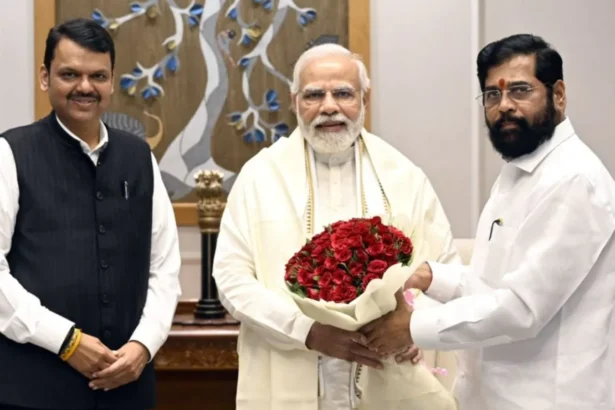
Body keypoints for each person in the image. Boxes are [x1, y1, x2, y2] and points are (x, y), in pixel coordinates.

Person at [361, 34, 615, 410]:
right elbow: (495, 284)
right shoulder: (520, 171)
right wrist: (437, 278)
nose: (504, 106)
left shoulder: (574, 180)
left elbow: (521, 309)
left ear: (558, 94)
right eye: (492, 95)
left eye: (520, 90)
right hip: (492, 396)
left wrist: (411, 328)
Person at [212, 43, 461, 410]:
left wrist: (412, 323)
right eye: (314, 95)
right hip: (290, 359)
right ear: (295, 101)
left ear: (365, 99)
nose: (329, 106)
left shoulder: (405, 176)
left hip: (385, 372)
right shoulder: (259, 177)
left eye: (343, 93)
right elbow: (231, 279)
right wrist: (308, 332)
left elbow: (444, 267)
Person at [0, 18, 181, 410]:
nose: (85, 87)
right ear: (46, 78)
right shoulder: (10, 154)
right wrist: (66, 342)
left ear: (112, 81)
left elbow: (164, 269)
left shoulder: (139, 157)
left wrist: (143, 345)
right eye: (70, 74)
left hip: (128, 388)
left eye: (98, 75)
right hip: (34, 391)